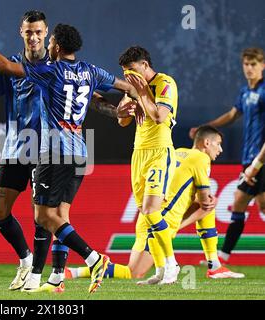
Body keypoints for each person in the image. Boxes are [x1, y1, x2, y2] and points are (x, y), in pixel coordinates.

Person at [0, 11, 128, 293]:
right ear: (21, 32)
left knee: (47, 216)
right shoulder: (13, 66)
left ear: (47, 33)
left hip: (51, 149)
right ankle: (27, 260)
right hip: (19, 146)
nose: (35, 37)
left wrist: (116, 113)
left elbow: (93, 101)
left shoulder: (60, 67)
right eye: (29, 32)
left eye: (39, 32)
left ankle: (44, 277)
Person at [0, 20, 142, 293]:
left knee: (44, 216)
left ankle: (93, 258)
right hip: (81, 153)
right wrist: (130, 106)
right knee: (61, 214)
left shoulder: (50, 71)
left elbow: (4, 67)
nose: (45, 44)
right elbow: (128, 88)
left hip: (55, 151)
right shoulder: (91, 71)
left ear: (57, 46)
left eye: (48, 41)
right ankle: (56, 277)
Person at [65, 126, 245, 281]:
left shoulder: (177, 152)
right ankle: (74, 272)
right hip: (159, 221)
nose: (220, 149)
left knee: (206, 207)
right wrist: (203, 202)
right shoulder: (201, 158)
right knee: (133, 272)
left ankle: (214, 265)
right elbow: (205, 199)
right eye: (218, 144)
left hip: (151, 215)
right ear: (206, 143)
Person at [189, 47, 265, 263]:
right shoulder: (245, 92)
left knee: (239, 199)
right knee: (263, 205)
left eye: (254, 64)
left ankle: (221, 257)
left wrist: (256, 164)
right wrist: (206, 127)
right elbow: (232, 115)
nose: (249, 68)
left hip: (259, 158)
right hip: (249, 157)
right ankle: (222, 256)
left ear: (263, 66)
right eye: (246, 64)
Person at [117, 46, 180, 284]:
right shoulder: (134, 87)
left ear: (144, 65)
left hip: (159, 152)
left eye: (131, 71)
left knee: (152, 209)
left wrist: (142, 92)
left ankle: (171, 263)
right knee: (146, 213)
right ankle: (162, 269)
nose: (128, 78)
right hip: (138, 153)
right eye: (125, 74)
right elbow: (122, 121)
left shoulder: (165, 83)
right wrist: (124, 109)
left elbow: (159, 116)